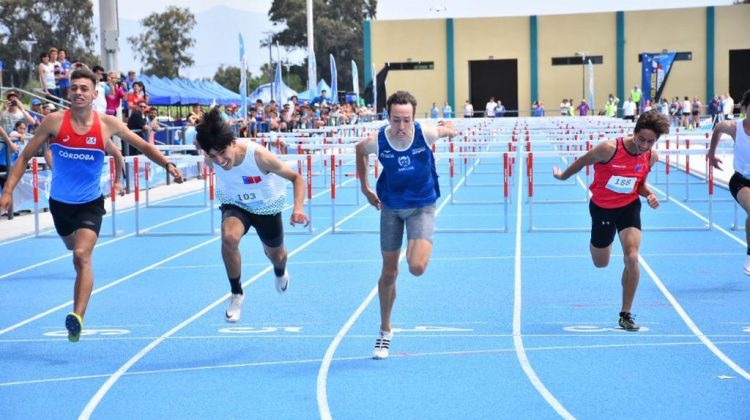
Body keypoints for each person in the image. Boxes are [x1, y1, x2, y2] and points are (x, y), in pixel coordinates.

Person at [0, 69, 185, 342]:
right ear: (68, 92)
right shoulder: (53, 122)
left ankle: (77, 317)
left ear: (94, 94)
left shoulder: (107, 124)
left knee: (81, 255)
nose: (78, 92)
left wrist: (168, 164)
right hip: (60, 204)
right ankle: (77, 293)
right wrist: (7, 191)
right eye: (74, 88)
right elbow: (26, 155)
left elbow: (144, 147)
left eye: (84, 88)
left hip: (90, 204)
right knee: (70, 246)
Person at [355, 90, 456, 359]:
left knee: (416, 267)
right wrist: (365, 188)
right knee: (389, 272)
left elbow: (449, 129)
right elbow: (359, 151)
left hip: (422, 205)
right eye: (396, 120)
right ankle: (385, 331)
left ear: (414, 118)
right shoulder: (378, 141)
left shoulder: (427, 134)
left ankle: (417, 241)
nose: (401, 126)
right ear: (388, 117)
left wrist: (450, 128)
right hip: (390, 207)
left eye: (406, 120)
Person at [552, 110, 670, 331]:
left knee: (632, 258)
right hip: (603, 209)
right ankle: (599, 241)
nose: (644, 145)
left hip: (628, 207)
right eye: (641, 139)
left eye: (650, 141)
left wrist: (649, 195)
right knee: (601, 263)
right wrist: (562, 176)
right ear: (633, 133)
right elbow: (581, 162)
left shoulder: (651, 156)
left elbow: (639, 183)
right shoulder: (608, 149)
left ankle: (625, 314)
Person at [194, 108, 309, 323]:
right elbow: (200, 139)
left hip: (266, 207)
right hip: (235, 203)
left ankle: (280, 271)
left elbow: (296, 178)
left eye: (222, 153)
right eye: (212, 156)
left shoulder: (258, 156)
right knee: (228, 237)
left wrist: (298, 209)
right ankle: (236, 293)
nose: (219, 160)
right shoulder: (209, 153)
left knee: (277, 256)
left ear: (231, 143)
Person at [707, 89, 750, 274]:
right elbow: (717, 128)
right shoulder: (734, 127)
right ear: (745, 109)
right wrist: (711, 153)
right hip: (741, 181)